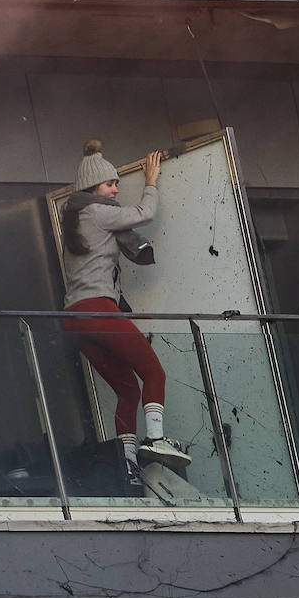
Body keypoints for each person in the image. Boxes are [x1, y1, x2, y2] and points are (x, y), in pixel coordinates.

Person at [61, 140, 191, 486]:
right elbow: (143, 214)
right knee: (153, 372)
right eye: (110, 184)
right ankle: (156, 440)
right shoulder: (98, 211)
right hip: (98, 310)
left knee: (128, 391)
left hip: (73, 317)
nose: (116, 189)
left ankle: (128, 466)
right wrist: (151, 181)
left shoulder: (74, 217)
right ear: (93, 189)